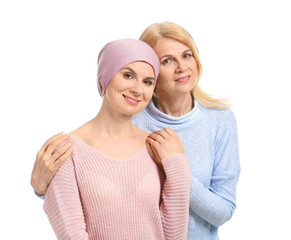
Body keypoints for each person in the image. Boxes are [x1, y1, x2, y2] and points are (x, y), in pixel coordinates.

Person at [31, 22, 240, 240]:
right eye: (167, 60)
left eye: (187, 55)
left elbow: (220, 211)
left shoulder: (217, 121)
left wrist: (177, 167)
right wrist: (43, 189)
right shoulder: (130, 120)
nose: (181, 67)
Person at [41, 38, 191, 240]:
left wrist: (178, 165)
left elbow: (174, 235)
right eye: (128, 75)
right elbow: (72, 235)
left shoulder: (157, 147)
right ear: (106, 76)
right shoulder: (66, 150)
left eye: (148, 82)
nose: (138, 90)